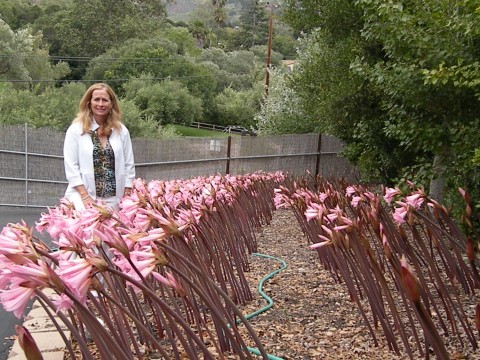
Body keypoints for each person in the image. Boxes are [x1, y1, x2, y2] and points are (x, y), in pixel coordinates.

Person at [63, 83, 135, 211]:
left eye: (105, 100)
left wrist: (127, 193)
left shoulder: (121, 131)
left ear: (111, 103)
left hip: (114, 201)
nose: (100, 104)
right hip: (83, 199)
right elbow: (71, 167)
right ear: (89, 102)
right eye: (96, 99)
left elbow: (129, 165)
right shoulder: (75, 130)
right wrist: (85, 197)